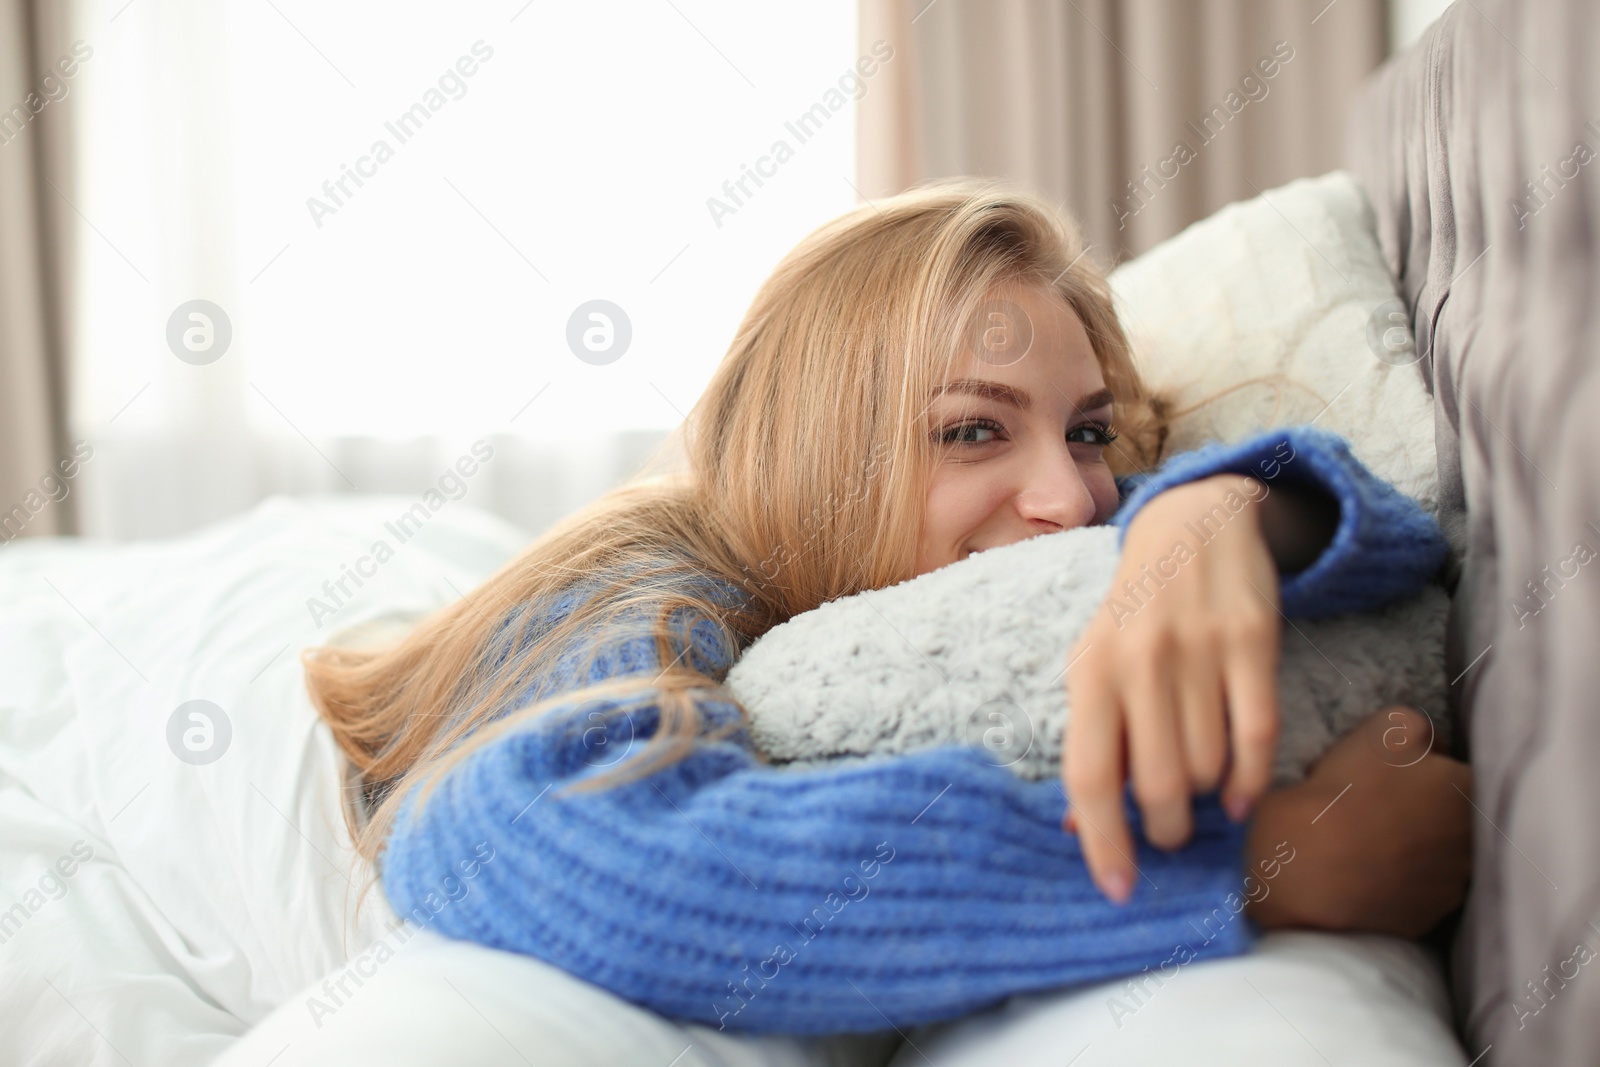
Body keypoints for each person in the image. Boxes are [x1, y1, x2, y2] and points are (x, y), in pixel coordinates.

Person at [304, 180, 1471, 1038]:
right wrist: (1251, 866)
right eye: (972, 428)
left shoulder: (1087, 509)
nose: (1069, 493)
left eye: (1084, 431)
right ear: (823, 454)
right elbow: (569, 842)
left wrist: (1221, 513)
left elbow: (1399, 529)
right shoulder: (644, 576)